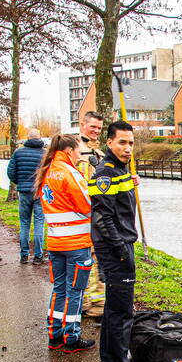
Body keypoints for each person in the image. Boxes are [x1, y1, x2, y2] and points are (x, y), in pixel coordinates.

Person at [89, 121, 155, 362]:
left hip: (120, 245)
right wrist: (120, 250)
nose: (128, 148)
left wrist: (129, 180)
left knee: (113, 310)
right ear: (109, 143)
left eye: (131, 143)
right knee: (121, 312)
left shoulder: (119, 170)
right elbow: (102, 217)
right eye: (122, 143)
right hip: (115, 249)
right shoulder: (105, 173)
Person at [34, 134, 96, 353]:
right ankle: (72, 337)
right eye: (78, 151)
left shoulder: (47, 171)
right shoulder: (70, 173)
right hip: (76, 243)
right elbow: (87, 204)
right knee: (75, 291)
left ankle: (55, 335)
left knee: (59, 289)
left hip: (55, 242)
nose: (80, 156)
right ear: (69, 151)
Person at [75, 111, 107, 321]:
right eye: (92, 126)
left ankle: (97, 306)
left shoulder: (100, 152)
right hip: (82, 214)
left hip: (98, 213)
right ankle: (84, 304)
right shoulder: (75, 151)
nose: (96, 131)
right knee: (84, 258)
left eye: (99, 128)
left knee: (98, 258)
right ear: (82, 125)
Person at [7, 129, 47, 264]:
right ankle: (38, 256)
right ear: (39, 137)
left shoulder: (18, 152)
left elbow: (10, 172)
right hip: (39, 191)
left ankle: (24, 255)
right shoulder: (45, 154)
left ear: (28, 138)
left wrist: (20, 182)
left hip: (24, 192)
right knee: (39, 222)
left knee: (24, 223)